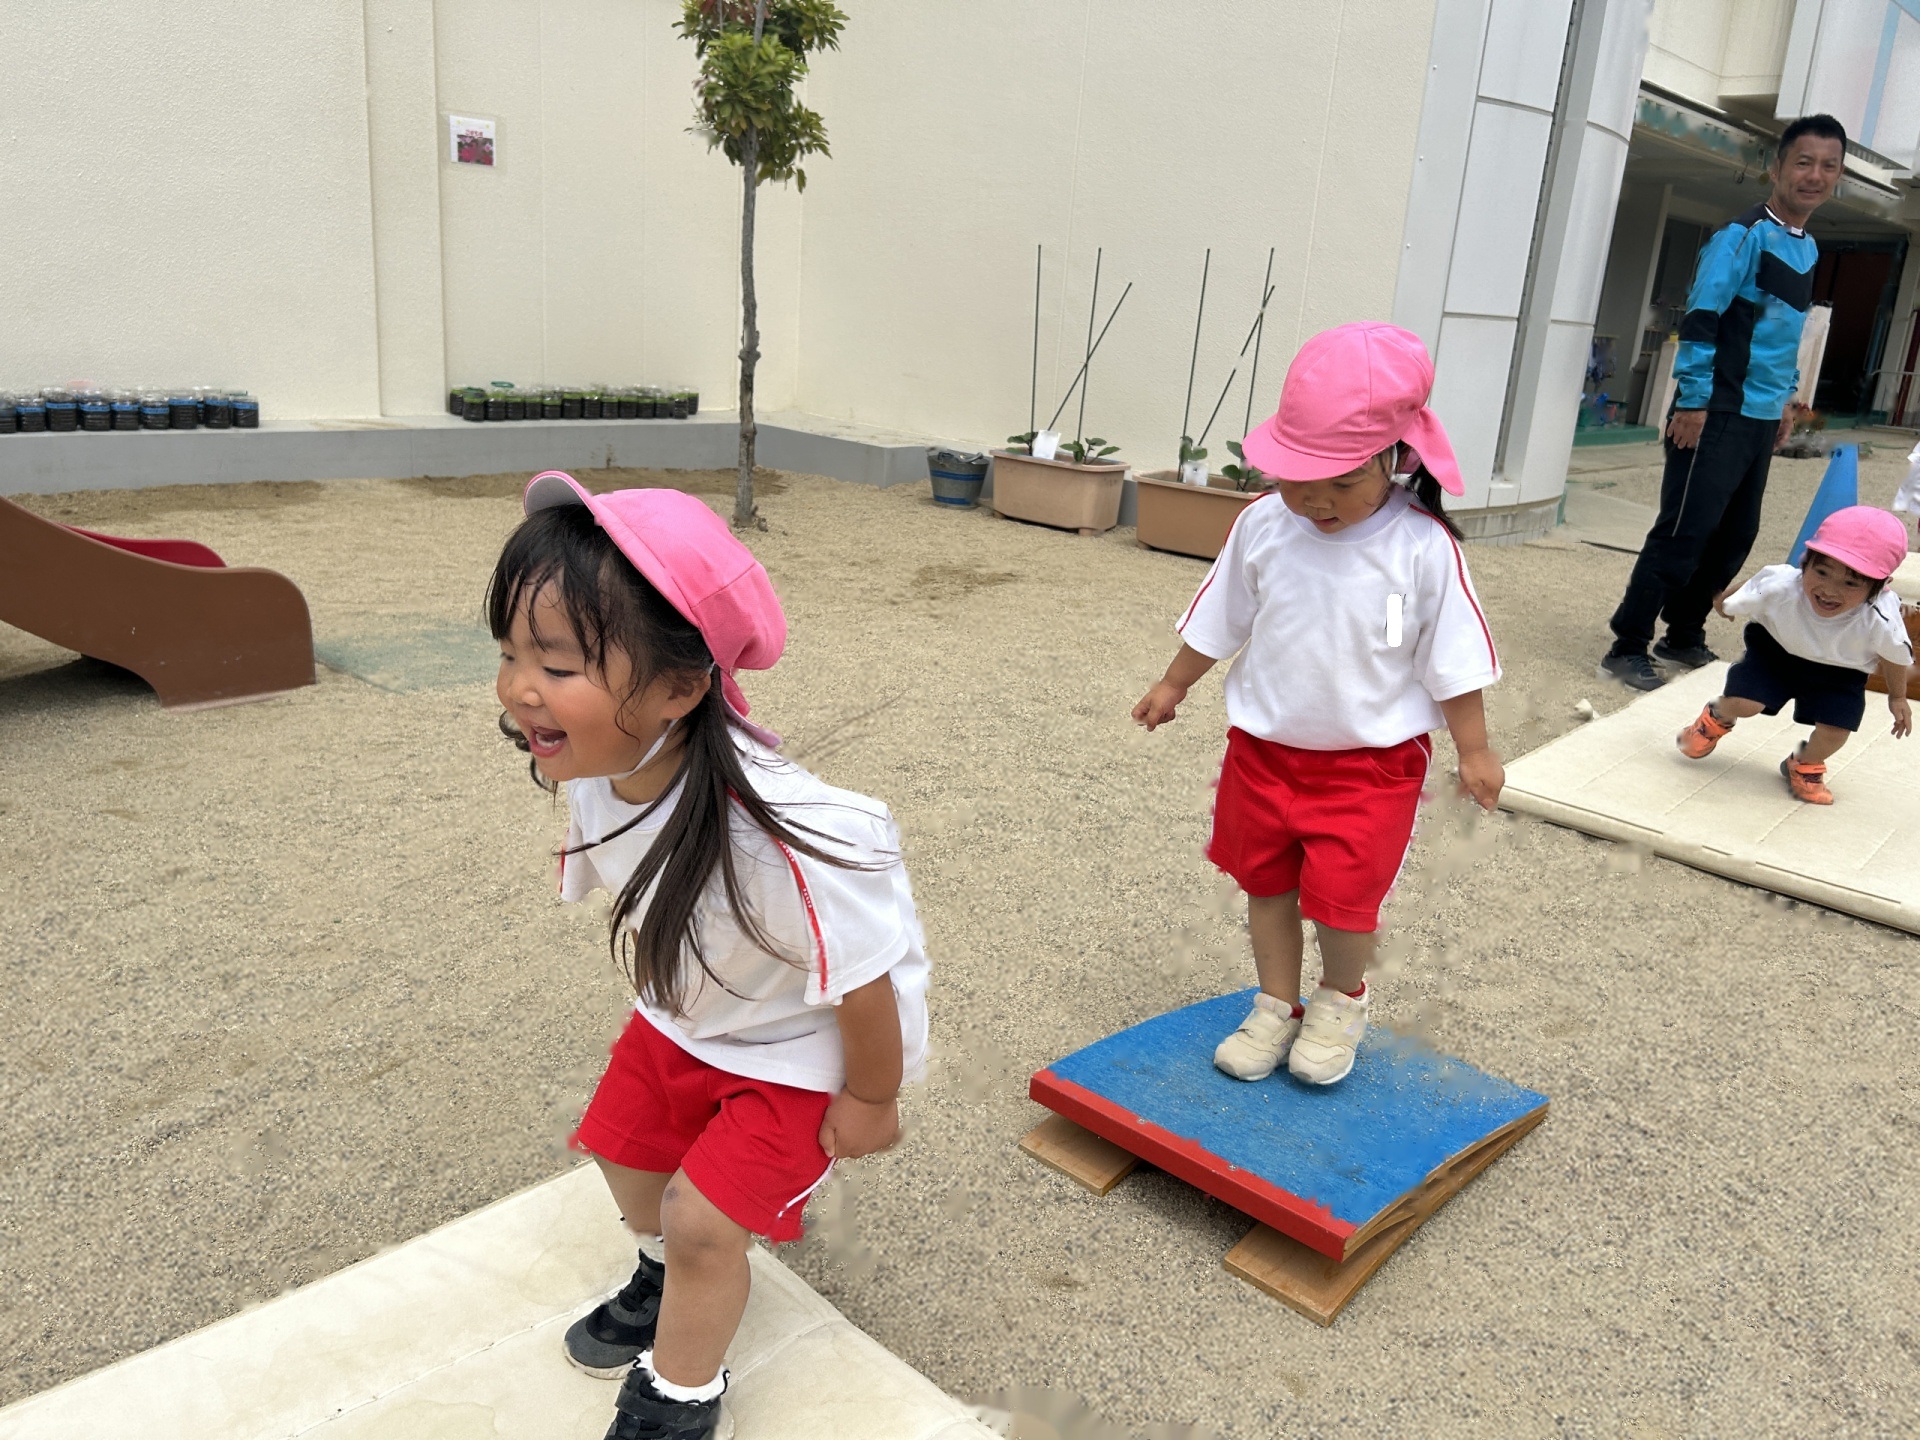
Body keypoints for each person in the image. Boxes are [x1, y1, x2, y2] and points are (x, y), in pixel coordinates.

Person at [488, 472, 928, 1440]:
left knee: (700, 1219)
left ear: (682, 688)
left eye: (556, 663)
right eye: (511, 652)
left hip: (802, 1049)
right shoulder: (601, 765)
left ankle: (680, 1393)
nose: (520, 687)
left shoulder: (787, 837)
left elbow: (863, 979)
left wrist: (873, 1097)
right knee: (620, 1148)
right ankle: (665, 1277)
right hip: (697, 1015)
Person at [1132, 323, 1504, 1088]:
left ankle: (1340, 1001)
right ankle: (1276, 1003)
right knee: (1265, 884)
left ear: (1397, 457)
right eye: (1298, 475)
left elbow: (1453, 659)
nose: (1315, 499)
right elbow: (1221, 617)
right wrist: (1174, 683)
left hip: (1370, 766)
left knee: (1342, 903)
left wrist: (1474, 749)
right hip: (1262, 753)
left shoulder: (1422, 547)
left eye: (1342, 480)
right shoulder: (1264, 524)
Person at [1601, 114, 1849, 691]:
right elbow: (1702, 317)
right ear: (1778, 168)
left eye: (1828, 166)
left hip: (1760, 416)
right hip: (1714, 411)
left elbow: (1785, 333)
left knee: (1735, 535)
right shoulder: (1742, 236)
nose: (1814, 175)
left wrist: (1786, 401)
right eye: (1803, 162)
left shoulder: (1806, 247)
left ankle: (1683, 633)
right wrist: (1692, 402)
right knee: (1684, 532)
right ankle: (1627, 644)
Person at [1676, 506, 1913, 804]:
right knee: (1744, 703)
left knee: (1836, 731)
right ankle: (1715, 717)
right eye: (1821, 572)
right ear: (1805, 562)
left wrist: (1897, 697)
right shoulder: (1785, 585)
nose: (1829, 590)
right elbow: (1754, 584)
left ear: (1880, 587)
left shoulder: (1881, 616)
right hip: (1775, 654)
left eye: (1851, 583)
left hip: (1841, 671)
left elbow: (1895, 656)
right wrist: (1726, 602)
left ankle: (1804, 764)